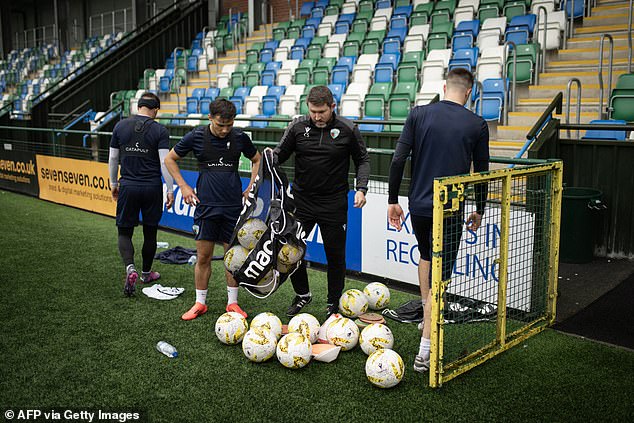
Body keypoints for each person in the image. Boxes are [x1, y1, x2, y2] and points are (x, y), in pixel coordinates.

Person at [387, 68, 490, 373]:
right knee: (441, 275)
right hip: (450, 208)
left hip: (418, 205)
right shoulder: (477, 123)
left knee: (424, 255)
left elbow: (397, 159)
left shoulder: (418, 114)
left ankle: (425, 316)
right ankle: (425, 349)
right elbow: (481, 172)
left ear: (444, 86)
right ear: (469, 92)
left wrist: (392, 200)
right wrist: (480, 207)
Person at [272, 85, 370, 318]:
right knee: (290, 252)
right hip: (302, 203)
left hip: (334, 203)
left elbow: (363, 160)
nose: (317, 117)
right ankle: (303, 294)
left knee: (335, 256)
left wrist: (361, 188)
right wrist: (268, 157)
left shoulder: (348, 128)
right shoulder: (297, 126)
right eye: (313, 111)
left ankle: (333, 304)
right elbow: (278, 155)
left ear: (332, 106)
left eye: (322, 112)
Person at [164, 99, 261, 321]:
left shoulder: (239, 137)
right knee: (203, 257)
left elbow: (257, 160)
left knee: (232, 257)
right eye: (220, 125)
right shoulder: (196, 136)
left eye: (229, 125)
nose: (225, 130)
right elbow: (169, 159)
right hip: (205, 207)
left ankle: (233, 303)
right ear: (210, 118)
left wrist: (251, 187)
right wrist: (183, 186)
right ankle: (200, 303)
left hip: (233, 208)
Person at [109, 91, 175, 297]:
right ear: (155, 109)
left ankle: (130, 267)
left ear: (138, 107)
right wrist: (171, 189)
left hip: (128, 185)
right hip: (151, 187)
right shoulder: (160, 130)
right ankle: (146, 273)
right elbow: (166, 163)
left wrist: (113, 182)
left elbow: (113, 158)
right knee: (150, 232)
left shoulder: (120, 126)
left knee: (124, 231)